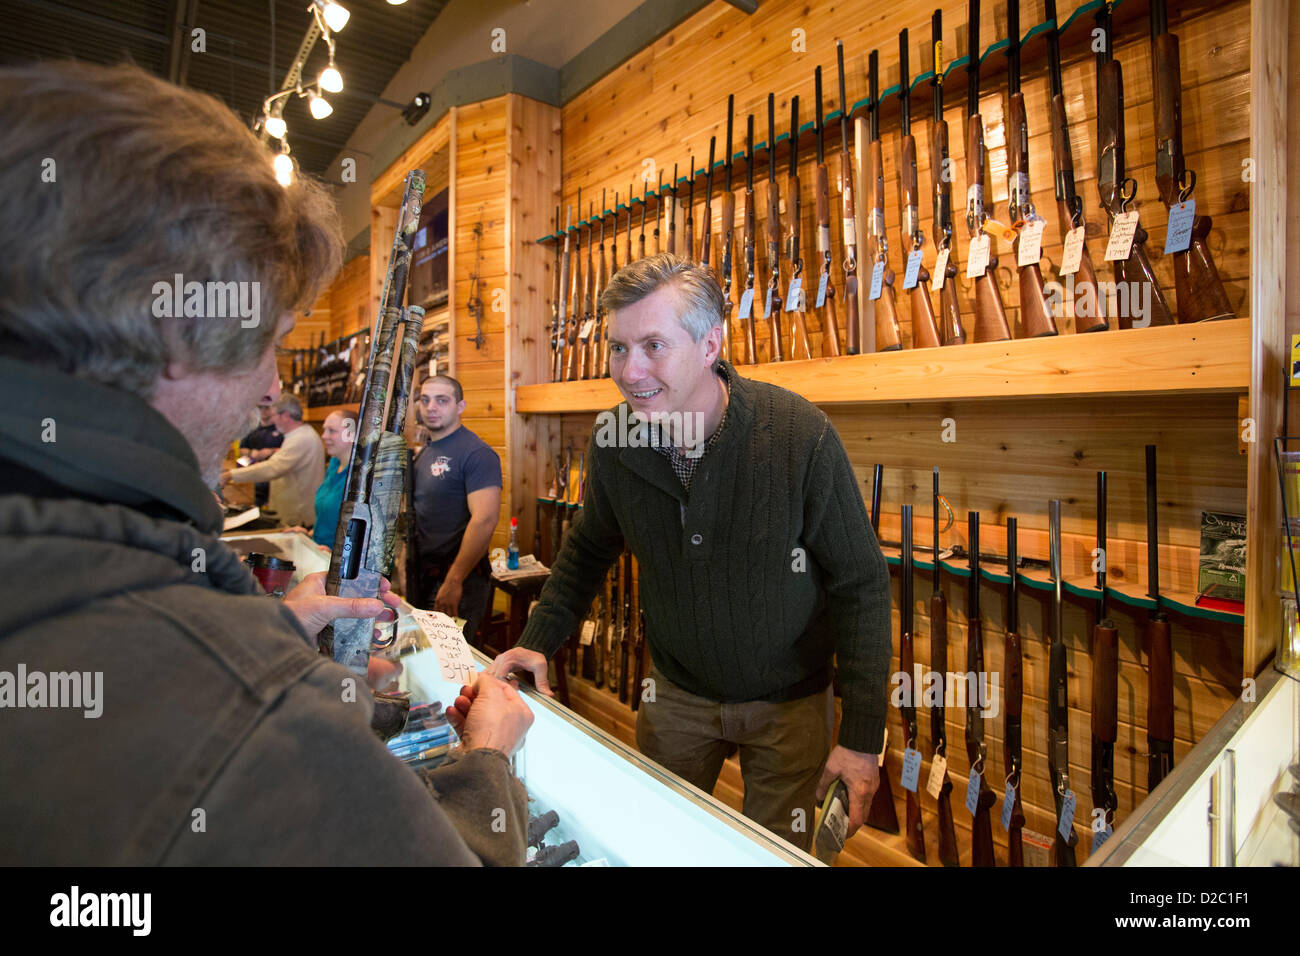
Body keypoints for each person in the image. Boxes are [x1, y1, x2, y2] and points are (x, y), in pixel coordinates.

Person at [0, 60, 532, 865]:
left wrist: (269, 630)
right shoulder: (252, 715)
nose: (271, 386)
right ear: (180, 332)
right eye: (271, 344)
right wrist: (489, 756)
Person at [490, 254, 892, 852]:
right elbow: (587, 552)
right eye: (618, 347)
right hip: (675, 696)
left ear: (710, 345)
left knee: (777, 855)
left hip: (793, 706)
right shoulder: (615, 439)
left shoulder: (798, 435)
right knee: (654, 845)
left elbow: (861, 583)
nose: (631, 371)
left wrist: (861, 736)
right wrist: (537, 642)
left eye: (654, 344)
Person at [411, 375, 502, 642]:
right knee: (425, 659)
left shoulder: (476, 453)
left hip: (458, 581)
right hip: (424, 576)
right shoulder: (425, 452)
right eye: (425, 400)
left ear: (460, 407)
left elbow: (485, 519)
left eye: (442, 400)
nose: (431, 407)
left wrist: (454, 580)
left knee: (452, 670)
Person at [222, 394, 323, 527]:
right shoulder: (296, 436)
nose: (273, 420)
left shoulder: (302, 438)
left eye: (274, 415)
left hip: (299, 519)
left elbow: (273, 468)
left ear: (286, 416)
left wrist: (231, 475)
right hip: (292, 515)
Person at [310, 408, 357, 549]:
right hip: (319, 552)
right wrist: (309, 534)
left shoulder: (360, 476)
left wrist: (335, 553)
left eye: (332, 431)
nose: (324, 436)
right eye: (324, 430)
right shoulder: (334, 465)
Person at [238, 396, 284, 507]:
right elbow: (241, 449)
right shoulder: (252, 428)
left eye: (267, 407)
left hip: (275, 478)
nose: (263, 411)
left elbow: (290, 450)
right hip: (254, 477)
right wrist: (251, 453)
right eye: (260, 407)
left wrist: (271, 451)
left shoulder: (281, 428)